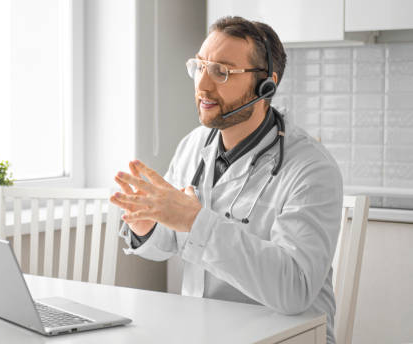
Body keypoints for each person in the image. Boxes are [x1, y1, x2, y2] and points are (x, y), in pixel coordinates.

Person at [109, 16, 342, 344]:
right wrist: (149, 226)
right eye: (200, 66)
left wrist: (194, 220)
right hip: (206, 332)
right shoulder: (194, 145)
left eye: (221, 71)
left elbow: (295, 290)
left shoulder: (311, 170)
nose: (203, 85)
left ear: (266, 86)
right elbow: (172, 243)